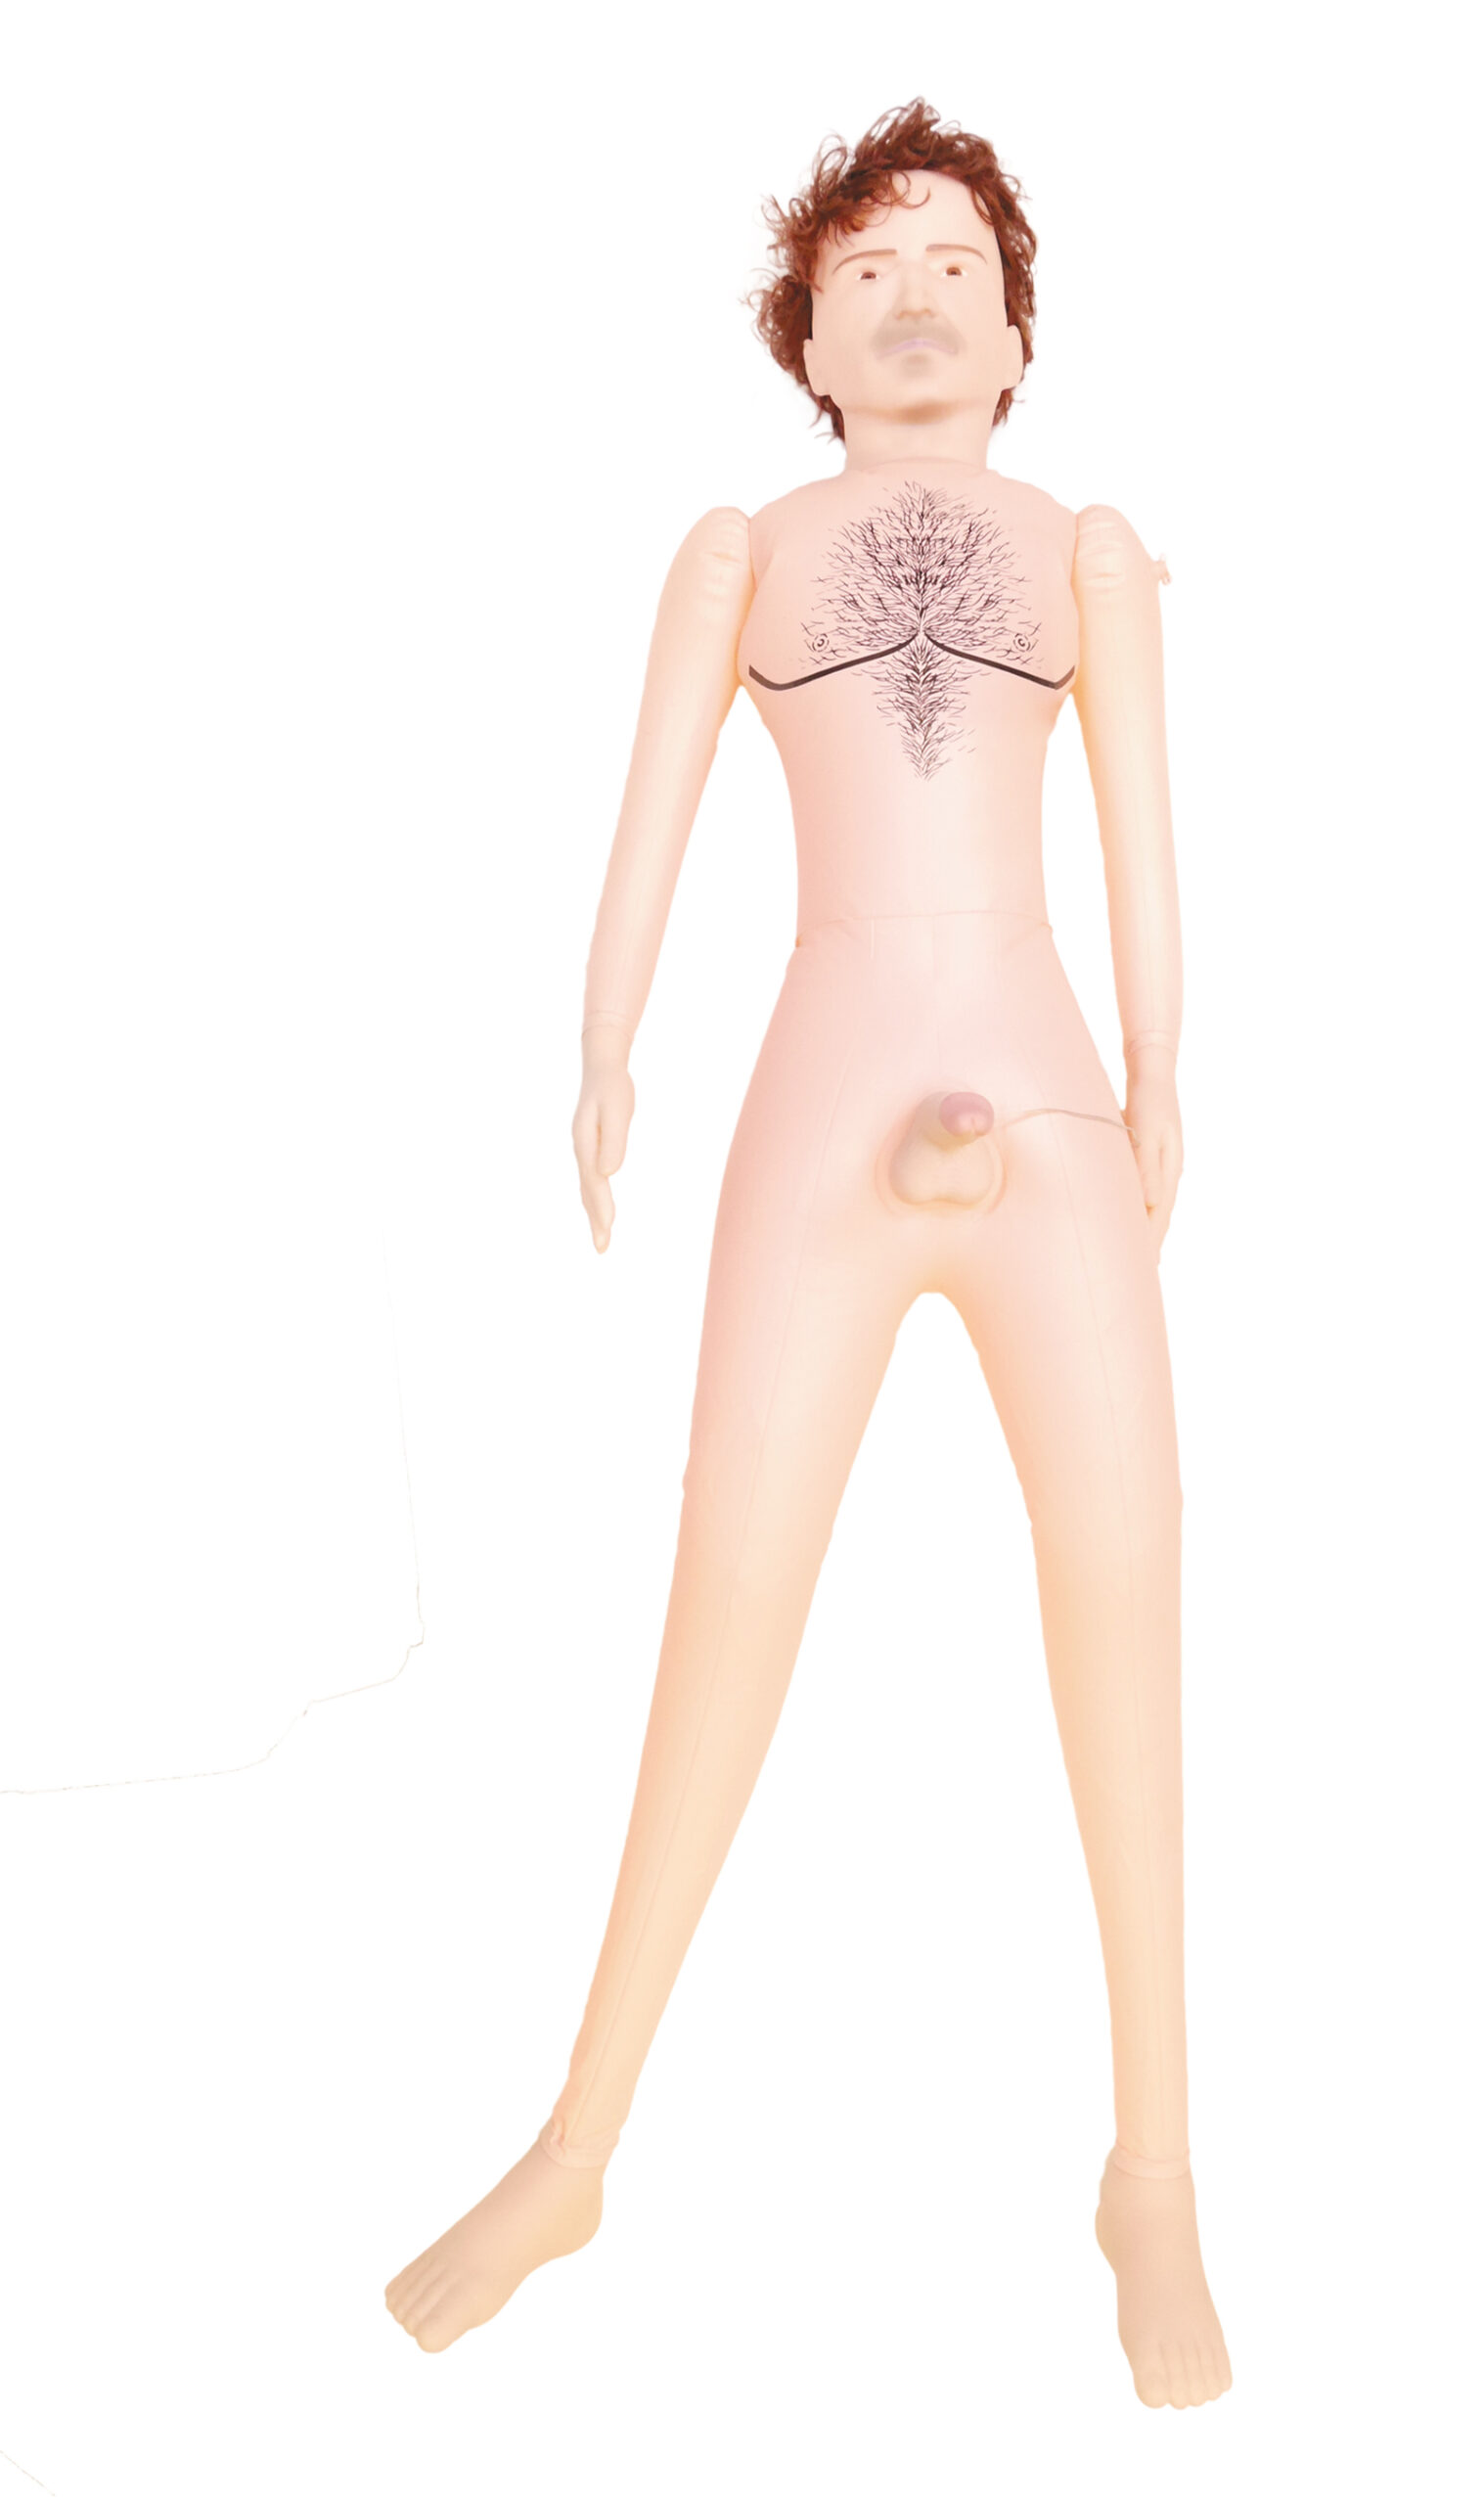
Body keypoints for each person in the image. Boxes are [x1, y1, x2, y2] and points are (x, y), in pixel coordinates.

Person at [385, 97, 1232, 2412]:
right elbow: (647, 817)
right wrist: (601, 1043)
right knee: (726, 1598)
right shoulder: (737, 552)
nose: (915, 289)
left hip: (1042, 1105)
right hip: (821, 1112)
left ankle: (1154, 2165)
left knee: (1127, 1592)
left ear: (1021, 332)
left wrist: (1164, 1064)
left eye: (956, 261)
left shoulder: (1090, 551)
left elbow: (1142, 840)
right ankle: (577, 2143)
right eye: (865, 267)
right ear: (806, 345)